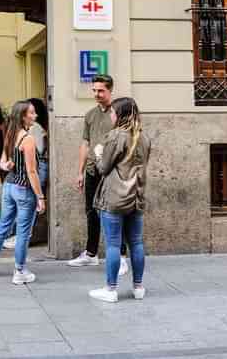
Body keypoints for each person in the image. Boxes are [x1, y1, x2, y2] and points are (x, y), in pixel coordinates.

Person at [89, 97, 151, 303]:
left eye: (114, 112)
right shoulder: (143, 138)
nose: (111, 116)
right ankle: (138, 287)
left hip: (115, 198)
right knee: (136, 243)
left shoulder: (116, 136)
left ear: (121, 115)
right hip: (136, 196)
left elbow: (103, 168)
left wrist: (98, 154)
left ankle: (111, 289)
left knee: (113, 245)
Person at [68, 74, 128, 276]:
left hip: (111, 171)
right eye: (94, 90)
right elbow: (85, 143)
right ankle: (91, 253)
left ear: (110, 90)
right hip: (93, 170)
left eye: (100, 90)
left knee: (114, 213)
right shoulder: (90, 115)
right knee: (91, 212)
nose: (96, 94)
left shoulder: (118, 113)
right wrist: (80, 171)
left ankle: (121, 257)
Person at [0, 101, 46, 284]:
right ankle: (20, 271)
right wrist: (40, 196)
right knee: (23, 232)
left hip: (9, 186)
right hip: (24, 188)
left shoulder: (10, 134)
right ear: (23, 116)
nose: (35, 116)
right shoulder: (28, 139)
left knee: (3, 226)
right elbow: (31, 171)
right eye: (32, 113)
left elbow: (2, 162)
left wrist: (7, 165)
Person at [3, 98, 48, 250]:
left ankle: (22, 237)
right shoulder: (31, 130)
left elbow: (36, 156)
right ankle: (21, 236)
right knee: (27, 203)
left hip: (36, 166)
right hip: (34, 166)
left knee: (30, 203)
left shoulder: (34, 129)